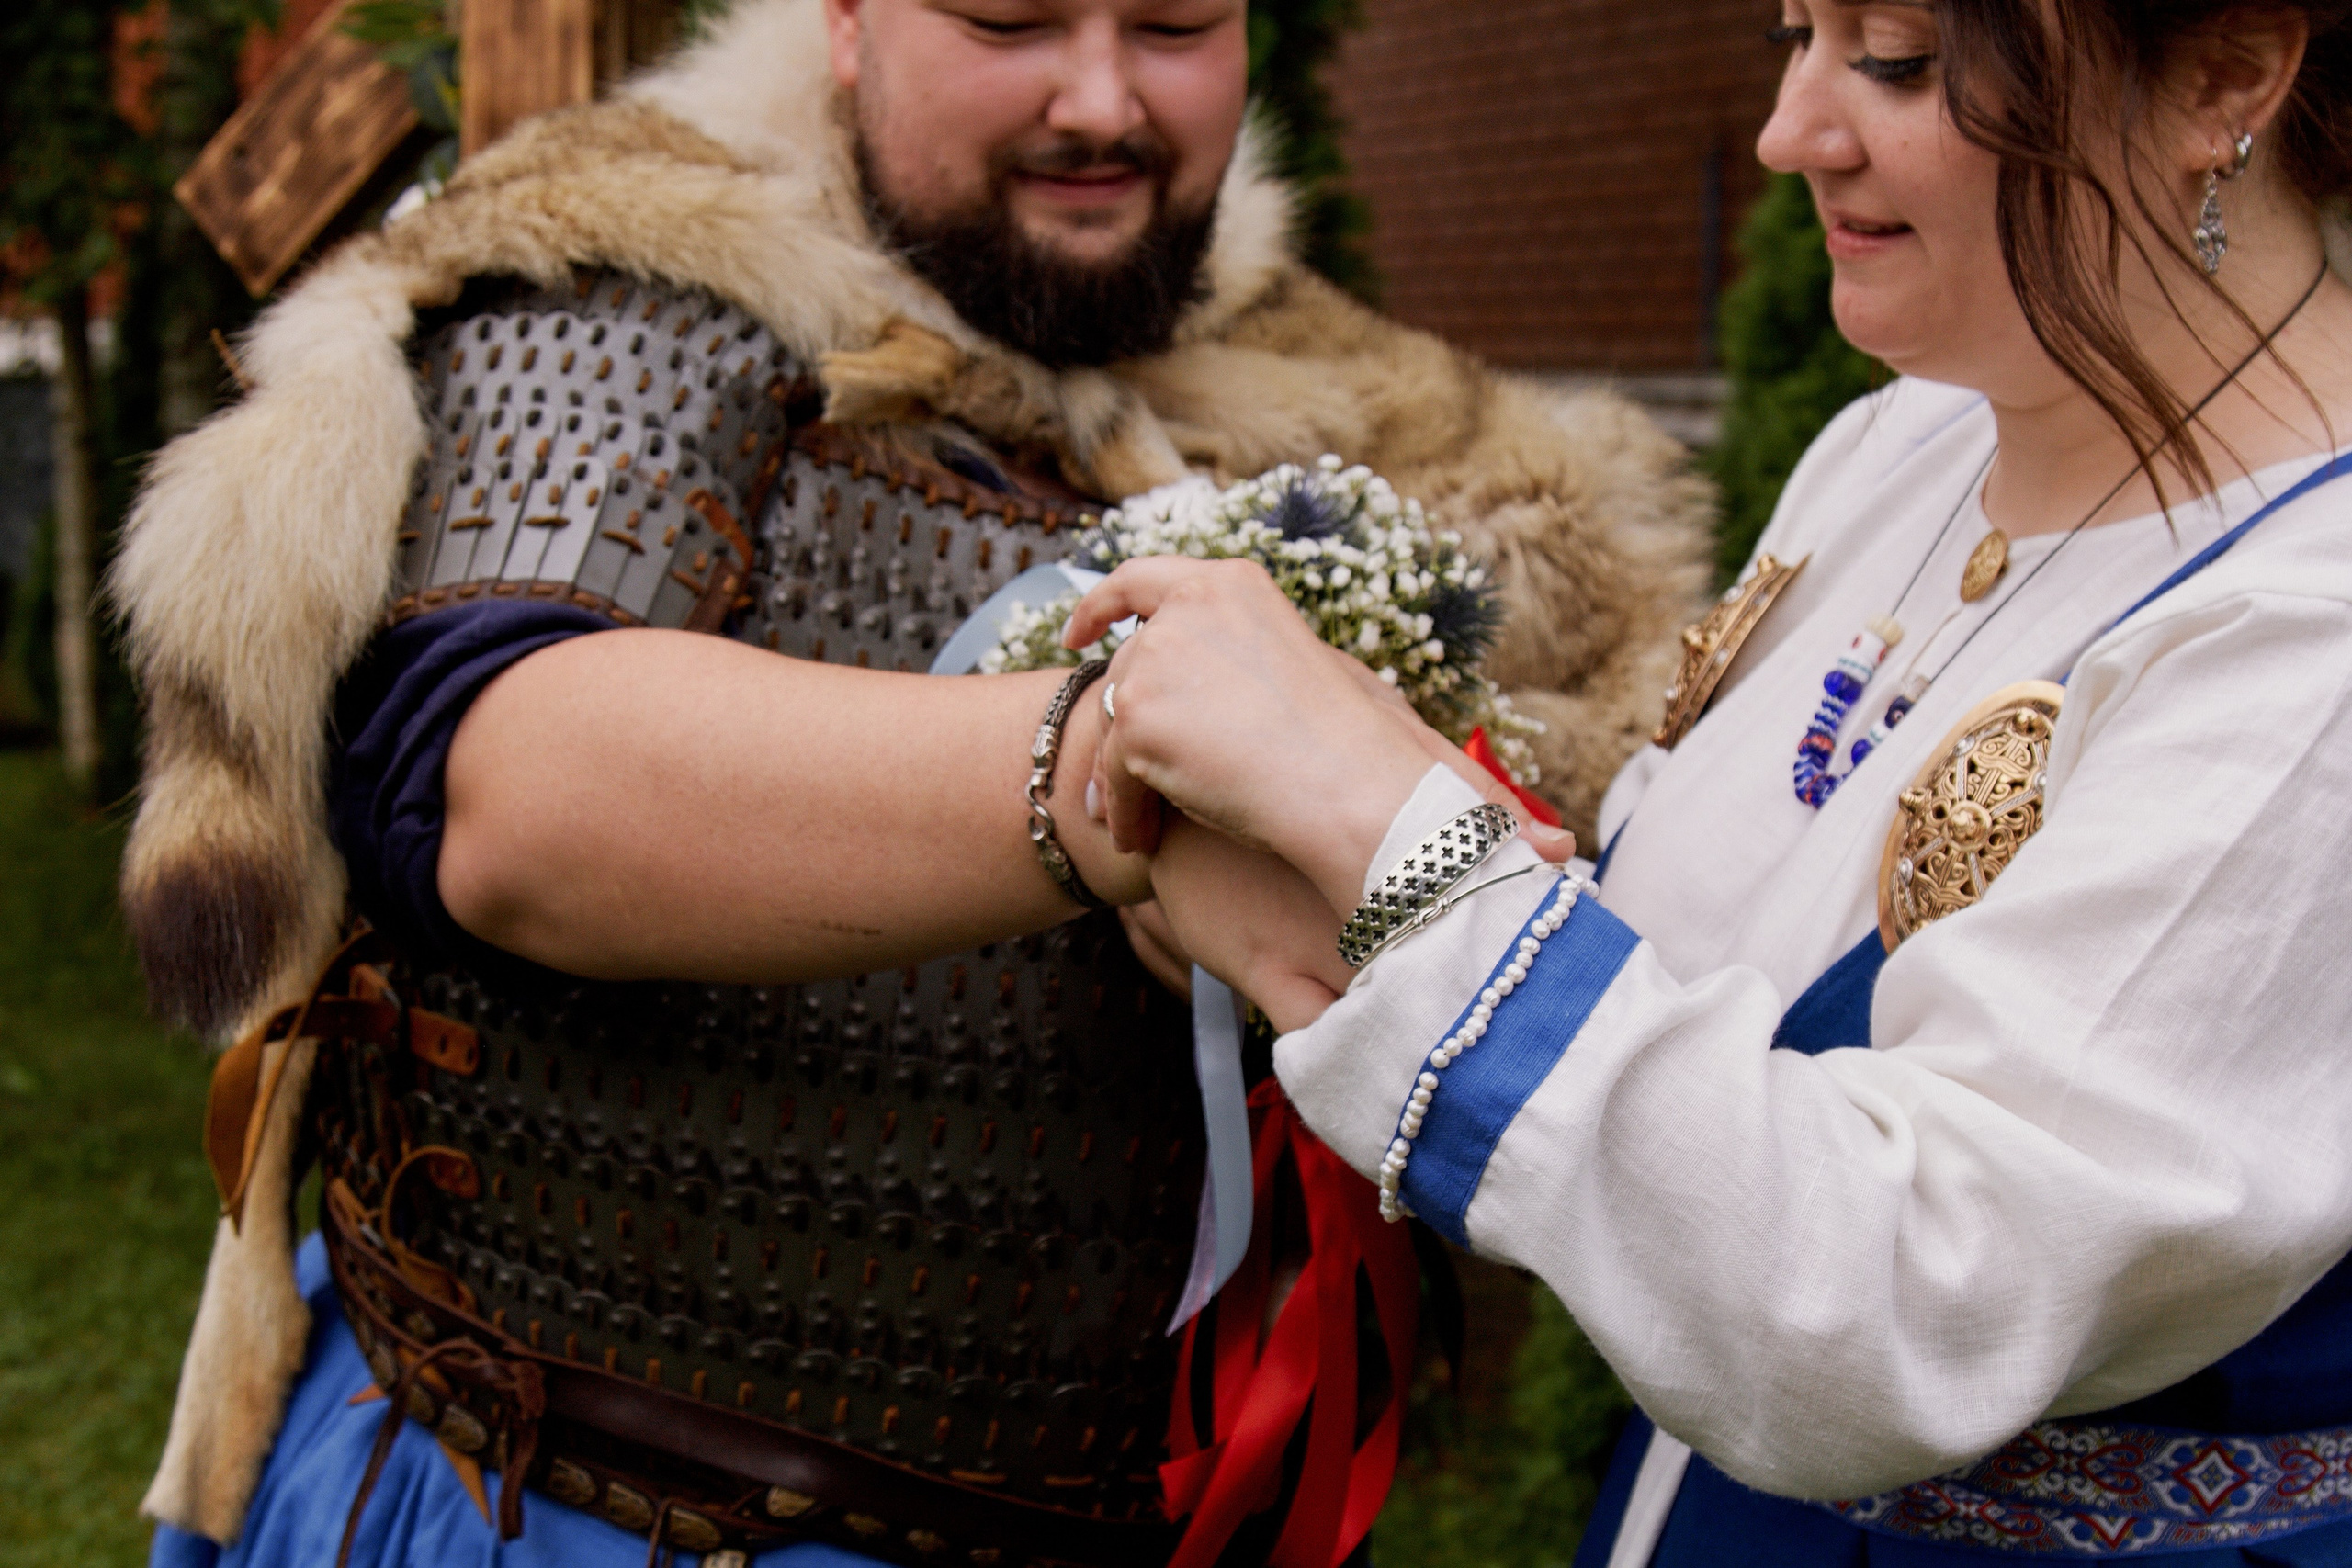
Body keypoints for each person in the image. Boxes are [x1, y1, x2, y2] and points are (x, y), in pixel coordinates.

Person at [116, 1, 1707, 1565]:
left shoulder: (1358, 403)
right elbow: (503, 797)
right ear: (850, 20)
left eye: (1174, 26)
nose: (1105, 102)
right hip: (586, 1512)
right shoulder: (629, 277)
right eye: (1011, 21)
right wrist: (1125, 787)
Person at [1074, 0, 2352, 1562]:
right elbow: (1667, 1062)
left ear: (2225, 74)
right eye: (1794, 32)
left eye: (1899, 58)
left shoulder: (2316, 634)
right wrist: (1312, 887)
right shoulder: (1901, 445)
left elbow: (1888, 1307)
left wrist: (1379, 820)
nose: (1789, 133)